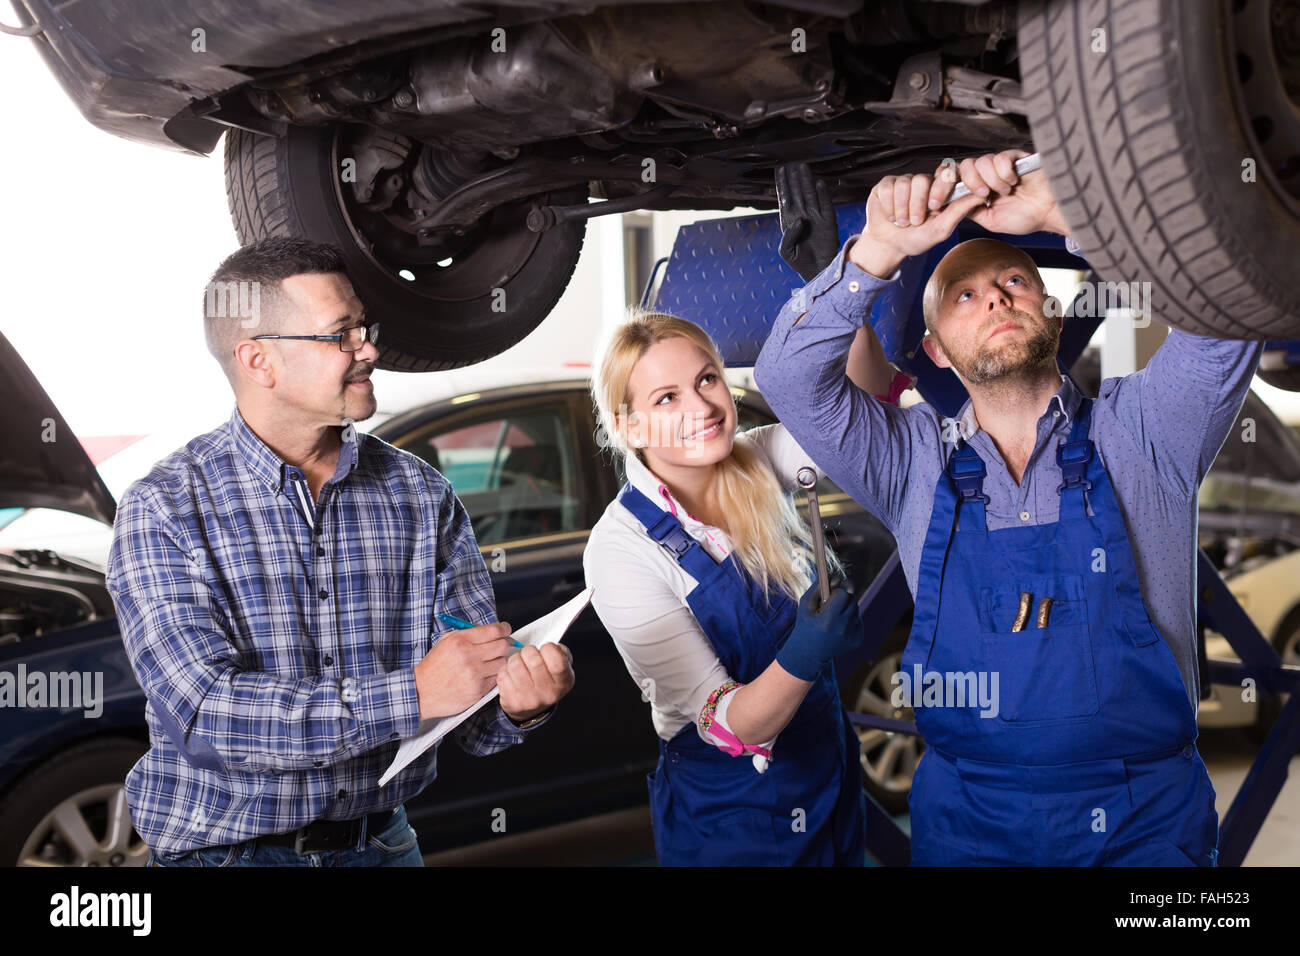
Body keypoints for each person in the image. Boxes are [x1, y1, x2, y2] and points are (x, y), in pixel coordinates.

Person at [755, 149, 1264, 866]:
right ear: (934, 350)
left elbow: (1230, 302)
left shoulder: (1148, 430)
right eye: (964, 295)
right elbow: (789, 378)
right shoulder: (909, 462)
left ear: (1053, 314)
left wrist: (1065, 214)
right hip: (969, 822)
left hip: (1143, 823)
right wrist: (878, 250)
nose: (994, 297)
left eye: (1014, 281)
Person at [107, 236, 574, 867]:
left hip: (382, 846)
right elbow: (206, 716)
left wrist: (519, 704)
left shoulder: (419, 493)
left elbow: (470, 712)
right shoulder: (164, 509)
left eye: (364, 327)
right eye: (342, 335)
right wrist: (409, 694)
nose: (370, 350)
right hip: (228, 856)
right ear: (259, 360)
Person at [583, 308, 906, 865]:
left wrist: (845, 297)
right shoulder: (621, 550)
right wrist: (804, 653)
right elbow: (728, 725)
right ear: (629, 426)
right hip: (734, 812)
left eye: (706, 378)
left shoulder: (756, 458)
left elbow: (865, 401)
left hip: (828, 774)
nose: (702, 407)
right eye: (667, 398)